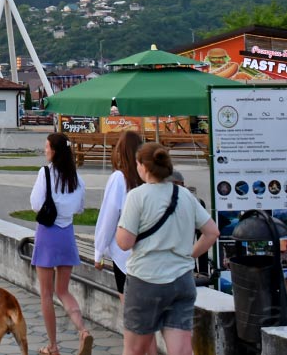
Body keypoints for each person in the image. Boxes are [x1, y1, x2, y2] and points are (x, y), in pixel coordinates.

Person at [115, 143, 220, 355]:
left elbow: (124, 242)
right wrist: (189, 255)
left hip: (145, 280)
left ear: (144, 167)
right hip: (181, 280)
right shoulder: (184, 195)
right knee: (181, 350)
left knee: (135, 350)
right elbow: (212, 232)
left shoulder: (137, 196)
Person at [30, 133, 93, 355]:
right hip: (67, 234)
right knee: (63, 290)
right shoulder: (76, 177)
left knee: (46, 293)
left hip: (48, 234)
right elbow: (79, 207)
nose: (45, 150)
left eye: (47, 147)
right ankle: (83, 331)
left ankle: (53, 346)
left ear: (54, 151)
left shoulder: (45, 173)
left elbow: (36, 204)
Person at [94, 129, 142, 296]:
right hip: (149, 253)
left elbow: (109, 218)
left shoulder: (119, 178)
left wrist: (98, 253)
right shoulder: (147, 178)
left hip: (124, 251)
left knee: (128, 305)